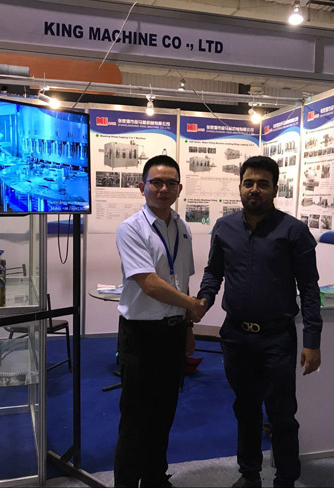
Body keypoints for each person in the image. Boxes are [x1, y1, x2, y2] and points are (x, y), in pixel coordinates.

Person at [198, 156, 322, 488]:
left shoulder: (294, 231)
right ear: (240, 187)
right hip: (236, 338)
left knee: (282, 414)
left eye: (263, 184)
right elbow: (213, 272)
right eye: (249, 183)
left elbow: (310, 289)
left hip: (276, 340)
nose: (255, 189)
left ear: (275, 189)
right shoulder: (224, 228)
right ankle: (249, 474)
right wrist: (203, 301)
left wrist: (312, 340)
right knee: (246, 408)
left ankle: (286, 479)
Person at [114, 155, 207, 488]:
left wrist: (188, 326)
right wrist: (193, 306)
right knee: (135, 419)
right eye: (156, 182)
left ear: (180, 189)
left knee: (164, 413)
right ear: (142, 186)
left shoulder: (182, 228)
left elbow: (182, 281)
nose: (163, 189)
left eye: (171, 183)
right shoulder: (131, 229)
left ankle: (155, 478)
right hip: (140, 335)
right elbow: (150, 283)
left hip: (172, 334)